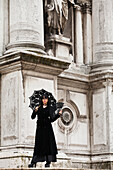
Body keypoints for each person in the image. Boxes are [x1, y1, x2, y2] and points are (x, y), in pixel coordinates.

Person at [28, 93, 62, 168]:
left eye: (46, 99)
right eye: (43, 99)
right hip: (40, 129)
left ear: (48, 100)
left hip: (47, 129)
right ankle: (33, 162)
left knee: (47, 145)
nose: (44, 100)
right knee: (38, 145)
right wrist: (35, 111)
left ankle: (48, 162)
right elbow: (32, 117)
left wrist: (58, 115)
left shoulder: (50, 108)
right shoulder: (38, 107)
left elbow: (52, 119)